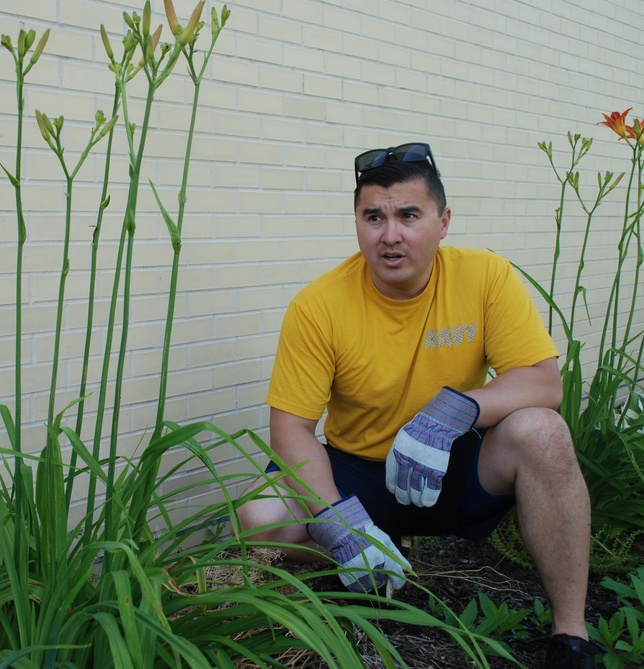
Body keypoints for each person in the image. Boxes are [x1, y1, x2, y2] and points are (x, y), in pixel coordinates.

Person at [236, 143, 597, 668]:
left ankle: (572, 636)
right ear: (357, 222)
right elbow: (290, 429)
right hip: (358, 474)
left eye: (409, 215)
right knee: (257, 516)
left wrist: (454, 413)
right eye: (373, 217)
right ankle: (364, 550)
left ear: (443, 221)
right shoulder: (318, 305)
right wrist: (338, 521)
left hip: (452, 466)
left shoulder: (486, 277)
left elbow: (544, 383)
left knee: (543, 431)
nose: (390, 235)